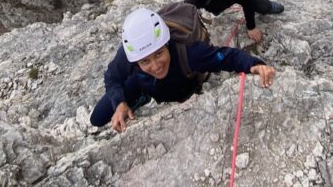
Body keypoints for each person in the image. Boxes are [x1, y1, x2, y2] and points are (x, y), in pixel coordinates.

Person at [90, 7, 277, 132]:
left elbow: (227, 57)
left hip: (181, 84)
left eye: (158, 54)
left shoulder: (191, 53)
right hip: (144, 84)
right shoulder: (129, 54)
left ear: (167, 43)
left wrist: (254, 64)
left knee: (174, 92)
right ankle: (143, 96)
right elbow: (112, 76)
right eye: (145, 60)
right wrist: (119, 102)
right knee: (98, 118)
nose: (155, 65)